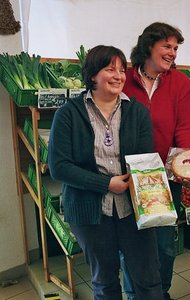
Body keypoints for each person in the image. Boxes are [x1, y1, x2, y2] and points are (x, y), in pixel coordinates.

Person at [48, 45, 163, 299]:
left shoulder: (137, 112)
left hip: (134, 210)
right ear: (92, 76)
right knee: (105, 282)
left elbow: (145, 160)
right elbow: (59, 167)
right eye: (110, 69)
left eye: (122, 70)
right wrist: (105, 184)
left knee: (148, 280)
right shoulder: (68, 114)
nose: (118, 76)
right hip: (90, 212)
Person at [122, 22, 190, 300]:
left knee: (164, 244)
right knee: (132, 243)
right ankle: (134, 293)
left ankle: (160, 291)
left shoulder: (180, 82)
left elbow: (186, 127)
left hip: (165, 178)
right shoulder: (125, 79)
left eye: (176, 48)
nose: (172, 53)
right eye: (167, 46)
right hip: (129, 177)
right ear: (148, 46)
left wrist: (183, 165)